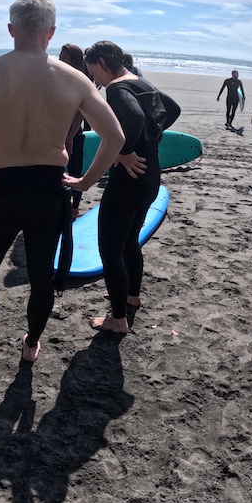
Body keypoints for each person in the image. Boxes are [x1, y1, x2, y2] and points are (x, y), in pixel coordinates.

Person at [0, 0, 127, 362]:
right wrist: (85, 182)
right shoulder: (74, 79)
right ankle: (30, 345)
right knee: (41, 279)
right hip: (49, 191)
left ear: (11, 29)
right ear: (51, 32)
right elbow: (115, 137)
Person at [71, 41, 180, 334]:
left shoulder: (117, 89)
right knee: (130, 241)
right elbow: (172, 109)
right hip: (150, 175)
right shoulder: (140, 82)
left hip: (129, 181)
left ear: (103, 63)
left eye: (94, 71)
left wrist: (125, 149)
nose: (94, 78)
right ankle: (132, 297)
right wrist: (150, 137)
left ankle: (118, 320)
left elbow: (134, 117)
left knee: (110, 250)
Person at [58, 43, 88, 218]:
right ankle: (61, 206)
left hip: (73, 134)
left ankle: (74, 207)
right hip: (57, 134)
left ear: (74, 61)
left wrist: (69, 136)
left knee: (75, 172)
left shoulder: (78, 80)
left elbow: (80, 113)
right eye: (59, 57)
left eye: (64, 58)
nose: (59, 60)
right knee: (57, 172)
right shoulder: (60, 78)